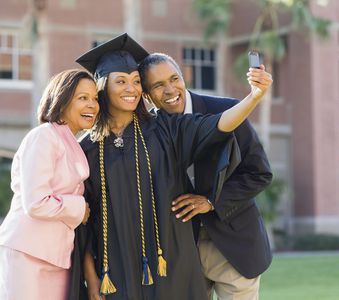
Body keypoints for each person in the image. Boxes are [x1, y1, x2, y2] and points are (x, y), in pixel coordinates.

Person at [74, 33, 272, 300]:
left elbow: (226, 132)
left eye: (174, 79)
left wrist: (254, 97)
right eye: (121, 81)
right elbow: (87, 221)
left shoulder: (169, 127)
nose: (168, 90)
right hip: (146, 258)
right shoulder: (92, 146)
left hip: (215, 249)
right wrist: (91, 276)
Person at [139, 52, 273, 300]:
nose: (170, 90)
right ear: (146, 96)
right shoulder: (148, 132)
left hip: (234, 247)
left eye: (174, 79)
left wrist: (211, 201)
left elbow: (260, 173)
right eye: (158, 85)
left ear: (184, 77)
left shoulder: (227, 110)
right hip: (182, 253)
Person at [0, 69, 98, 300]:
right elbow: (36, 202)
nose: (92, 105)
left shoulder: (70, 141)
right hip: (27, 253)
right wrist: (80, 208)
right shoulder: (44, 136)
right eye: (83, 98)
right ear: (62, 100)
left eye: (95, 99)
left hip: (56, 256)